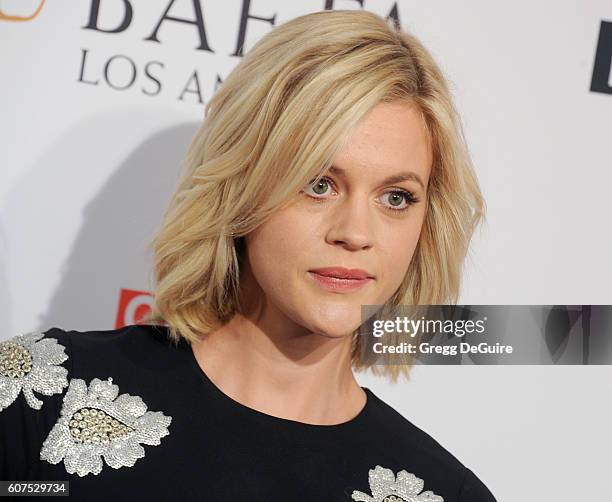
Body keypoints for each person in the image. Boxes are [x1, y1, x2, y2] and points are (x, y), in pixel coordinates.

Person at [0, 9, 496, 501]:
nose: (355, 233)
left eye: (396, 198)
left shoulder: (446, 494)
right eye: (318, 184)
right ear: (245, 185)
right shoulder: (39, 397)